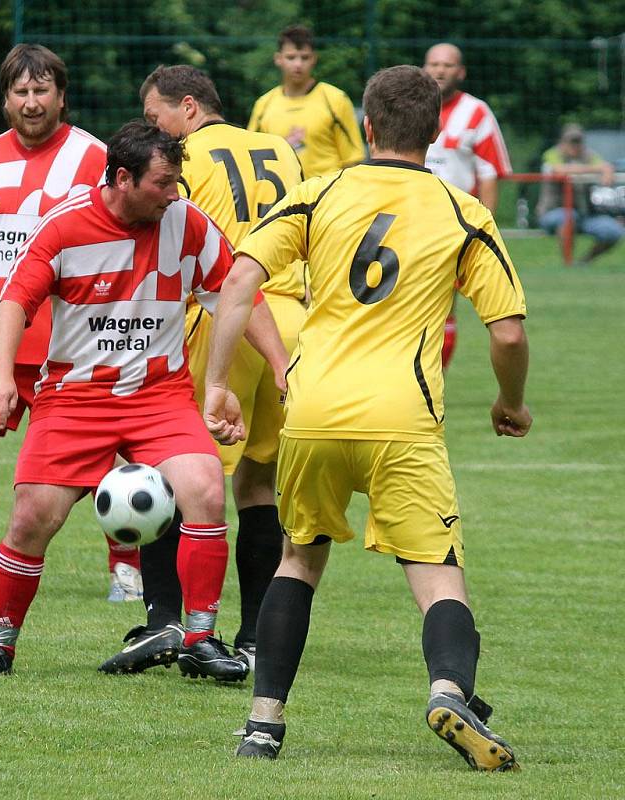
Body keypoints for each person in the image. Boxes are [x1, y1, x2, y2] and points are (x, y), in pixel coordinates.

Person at [204, 65, 531, 771]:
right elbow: (506, 333)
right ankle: (450, 690)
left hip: (313, 408)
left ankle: (264, 724)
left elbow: (238, 280)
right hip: (401, 417)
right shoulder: (461, 210)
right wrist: (511, 403)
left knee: (299, 560)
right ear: (438, 132)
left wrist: (217, 386)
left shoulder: (318, 192)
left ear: (368, 125)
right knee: (438, 573)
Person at [0, 120, 289, 679]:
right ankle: (0, 645)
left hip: (160, 396)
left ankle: (200, 638)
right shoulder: (64, 226)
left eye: (177, 181)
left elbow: (238, 296)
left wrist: (283, 367)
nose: (174, 193)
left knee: (206, 491)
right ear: (122, 178)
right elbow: (14, 302)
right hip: (74, 398)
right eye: (163, 182)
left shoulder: (186, 223)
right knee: (33, 519)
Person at [0, 44, 142, 604]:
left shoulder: (95, 159)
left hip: (72, 342)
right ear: (6, 99)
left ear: (62, 97)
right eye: (21, 92)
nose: (32, 103)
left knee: (111, 457)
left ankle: (127, 570)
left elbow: (127, 237)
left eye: (42, 91)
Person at [98, 65, 304, 675]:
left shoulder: (187, 158)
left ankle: (166, 619)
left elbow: (170, 236)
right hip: (290, 320)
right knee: (258, 485)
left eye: (156, 116)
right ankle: (257, 634)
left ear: (188, 108)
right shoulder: (276, 149)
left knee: (174, 471)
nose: (151, 130)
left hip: (223, 321)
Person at [423, 42, 512, 369]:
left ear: (460, 72)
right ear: (424, 68)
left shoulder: (476, 112)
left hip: (454, 227)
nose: (440, 70)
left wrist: (483, 229)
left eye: (447, 65)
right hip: (409, 222)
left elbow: (489, 174)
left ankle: (436, 378)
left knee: (445, 307)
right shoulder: (412, 106)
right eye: (434, 64)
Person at [248, 25, 365, 179]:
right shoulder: (264, 104)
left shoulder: (335, 99)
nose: (298, 64)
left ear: (314, 59)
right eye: (291, 57)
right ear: (278, 59)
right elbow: (250, 159)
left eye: (304, 57)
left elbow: (353, 160)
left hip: (325, 198)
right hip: (282, 199)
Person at [537, 122, 624, 264]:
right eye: (572, 141)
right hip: (552, 213)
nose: (575, 145)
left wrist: (607, 169)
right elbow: (559, 169)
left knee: (614, 231)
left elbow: (605, 166)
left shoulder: (589, 155)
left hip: (584, 215)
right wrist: (597, 169)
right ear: (562, 142)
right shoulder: (552, 154)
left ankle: (583, 262)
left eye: (578, 141)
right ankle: (568, 264)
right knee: (568, 217)